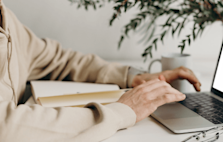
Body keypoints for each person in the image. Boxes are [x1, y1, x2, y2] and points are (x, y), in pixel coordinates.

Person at [0, 1, 201, 142]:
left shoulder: (5, 16)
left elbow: (56, 59)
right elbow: (5, 128)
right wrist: (120, 112)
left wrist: (131, 77)